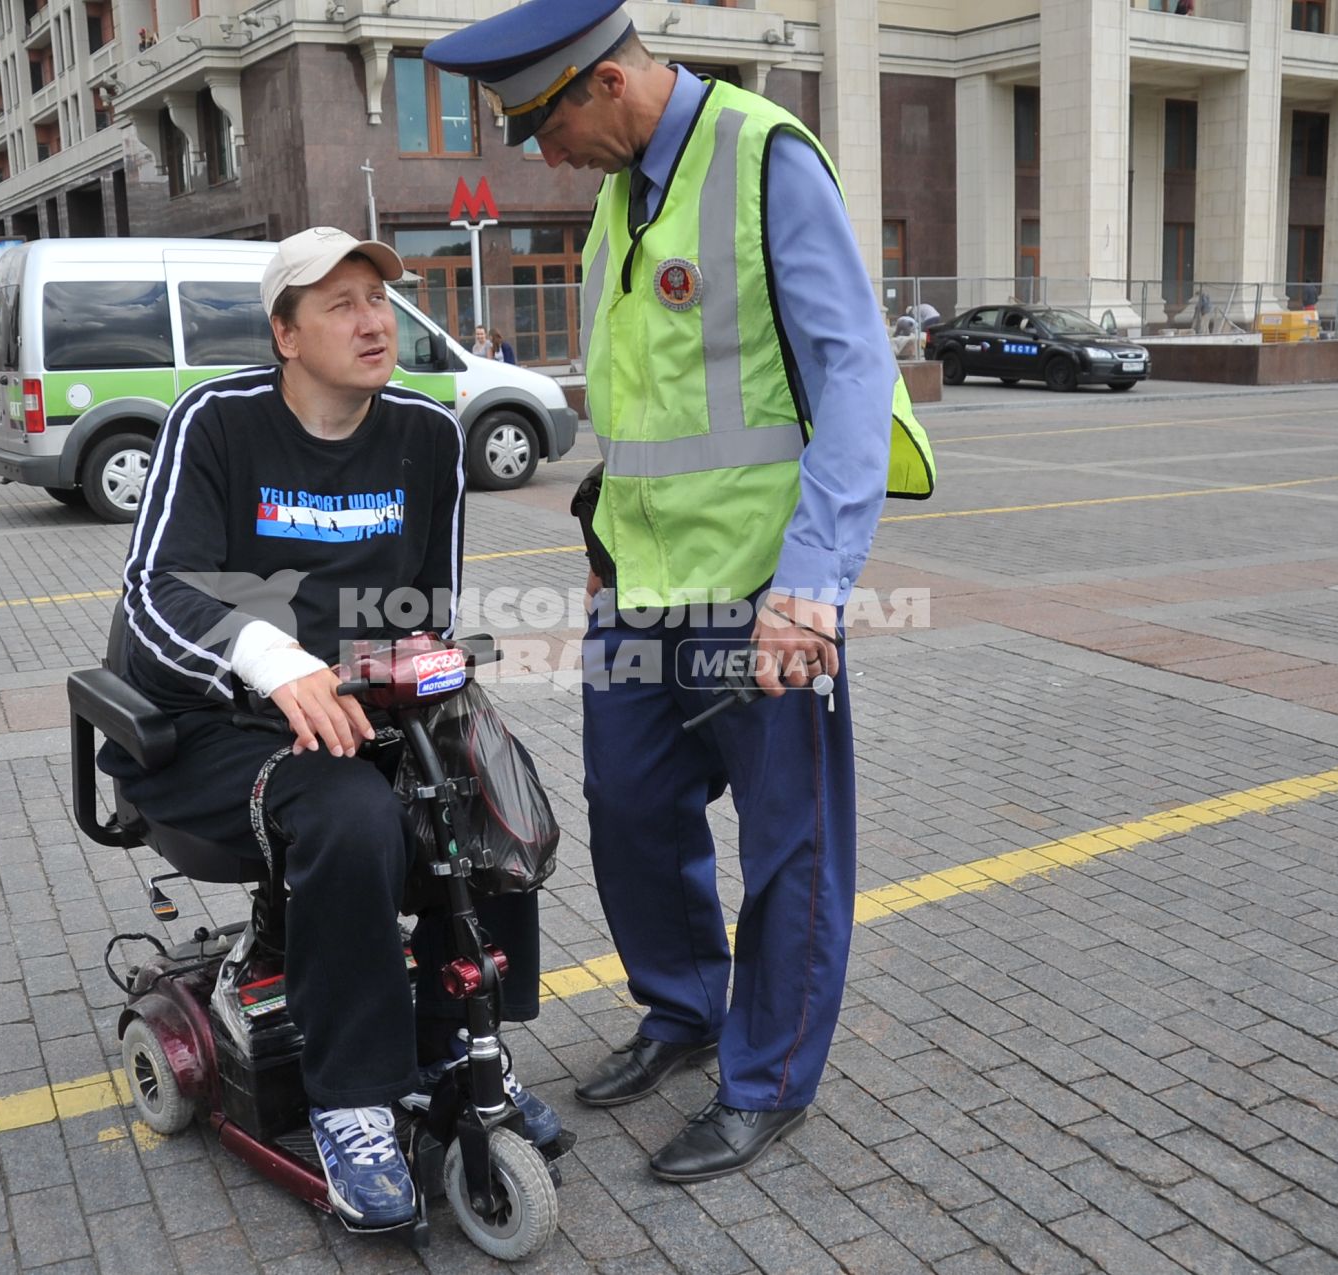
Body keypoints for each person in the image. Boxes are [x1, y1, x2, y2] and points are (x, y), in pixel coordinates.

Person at [429, 0, 933, 1184]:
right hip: (638, 595)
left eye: (546, 127)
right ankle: (684, 1010)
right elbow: (649, 405)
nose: (544, 157)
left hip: (761, 588)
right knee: (635, 817)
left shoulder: (764, 157)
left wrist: (810, 589)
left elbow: (856, 379)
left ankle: (767, 1078)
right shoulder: (617, 203)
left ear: (605, 84)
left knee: (790, 847)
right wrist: (604, 537)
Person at [98, 227, 557, 1227]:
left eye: (379, 300)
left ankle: (456, 1046)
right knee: (354, 820)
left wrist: (422, 679)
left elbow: (426, 605)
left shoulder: (426, 437)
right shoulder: (215, 423)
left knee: (479, 793)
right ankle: (353, 1101)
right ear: (286, 334)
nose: (372, 319)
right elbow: (154, 589)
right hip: (204, 722)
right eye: (340, 303)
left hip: (355, 709)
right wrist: (275, 661)